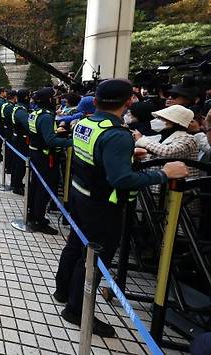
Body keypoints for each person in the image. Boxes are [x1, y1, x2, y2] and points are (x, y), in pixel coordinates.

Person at [53, 79, 189, 338]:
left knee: (74, 245)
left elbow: (93, 155)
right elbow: (121, 180)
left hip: (81, 196)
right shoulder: (116, 134)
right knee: (93, 259)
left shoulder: (86, 123)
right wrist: (164, 173)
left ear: (95, 102)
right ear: (129, 102)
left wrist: (126, 156)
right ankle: (75, 309)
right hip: (104, 205)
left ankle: (62, 290)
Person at [26, 88, 72, 235]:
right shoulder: (46, 117)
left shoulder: (35, 113)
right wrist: (71, 141)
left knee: (36, 186)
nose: (56, 100)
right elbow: (50, 140)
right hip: (45, 157)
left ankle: (33, 214)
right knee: (44, 189)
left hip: (36, 153)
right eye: (54, 98)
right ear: (49, 100)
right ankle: (39, 220)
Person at [10, 89, 31, 195]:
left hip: (18, 138)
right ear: (26, 97)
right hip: (21, 139)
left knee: (17, 162)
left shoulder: (18, 108)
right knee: (20, 164)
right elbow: (28, 126)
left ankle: (15, 183)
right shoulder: (21, 111)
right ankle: (17, 186)